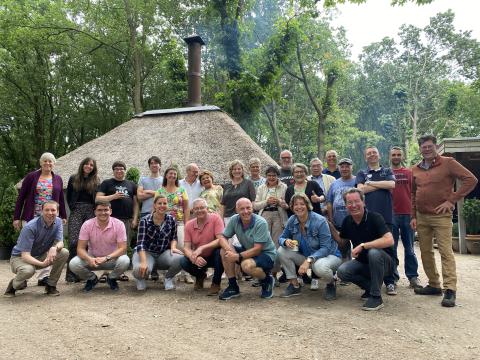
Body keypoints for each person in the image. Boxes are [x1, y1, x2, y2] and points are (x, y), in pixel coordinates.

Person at [411, 135, 477, 307]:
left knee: (445, 252)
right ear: (420, 149)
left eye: (429, 146)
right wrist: (413, 216)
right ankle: (433, 284)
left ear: (436, 146)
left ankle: (450, 290)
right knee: (425, 252)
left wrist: (452, 200)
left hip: (441, 216)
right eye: (423, 147)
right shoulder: (415, 169)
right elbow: (412, 193)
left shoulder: (448, 163)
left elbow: (471, 179)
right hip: (422, 216)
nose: (426, 149)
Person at [332, 188, 395, 311]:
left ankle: (376, 297)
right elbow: (342, 242)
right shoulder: (347, 221)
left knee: (374, 252)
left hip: (385, 264)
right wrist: (329, 225)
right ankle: (371, 287)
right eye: (349, 203)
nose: (353, 205)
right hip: (363, 262)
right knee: (342, 271)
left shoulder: (375, 217)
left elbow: (389, 240)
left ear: (363, 202)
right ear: (345, 205)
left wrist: (363, 245)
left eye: (356, 201)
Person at [13, 152, 67, 285]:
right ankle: (24, 276)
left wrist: (63, 215)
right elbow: (21, 197)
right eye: (45, 161)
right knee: (29, 246)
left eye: (50, 161)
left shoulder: (58, 179)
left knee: (49, 245)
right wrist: (16, 217)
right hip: (32, 214)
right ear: (41, 163)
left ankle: (43, 277)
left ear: (54, 164)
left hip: (51, 215)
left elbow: (60, 199)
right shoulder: (31, 177)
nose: (48, 163)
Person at [278, 194, 341, 300]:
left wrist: (308, 260)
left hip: (329, 256)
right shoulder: (292, 220)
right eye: (295, 204)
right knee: (281, 251)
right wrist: (285, 241)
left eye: (302, 204)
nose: (299, 207)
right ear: (292, 207)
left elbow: (325, 248)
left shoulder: (320, 220)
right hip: (308, 256)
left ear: (307, 205)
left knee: (319, 267)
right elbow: (281, 238)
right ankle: (294, 285)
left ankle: (331, 283)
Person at [5, 201, 69, 297]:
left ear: (58, 212)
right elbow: (25, 255)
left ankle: (51, 285)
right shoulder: (30, 227)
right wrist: (42, 264)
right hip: (20, 258)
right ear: (42, 211)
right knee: (28, 270)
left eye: (53, 210)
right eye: (47, 210)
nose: (50, 213)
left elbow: (60, 242)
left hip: (40, 255)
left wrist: (54, 248)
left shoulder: (58, 222)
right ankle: (13, 286)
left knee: (64, 252)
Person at [356, 146, 397, 295]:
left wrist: (370, 183)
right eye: (369, 153)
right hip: (368, 219)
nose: (372, 155)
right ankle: (373, 282)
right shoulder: (362, 173)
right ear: (365, 157)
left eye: (374, 152)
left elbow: (392, 185)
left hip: (386, 217)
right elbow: (360, 190)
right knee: (370, 250)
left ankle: (390, 282)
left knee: (389, 249)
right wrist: (381, 185)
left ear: (379, 155)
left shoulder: (387, 171)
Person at [218, 198, 277, 300]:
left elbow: (257, 249)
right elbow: (222, 237)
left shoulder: (261, 222)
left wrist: (236, 256)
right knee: (224, 251)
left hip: (266, 254)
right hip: (248, 251)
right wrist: (229, 250)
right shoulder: (234, 219)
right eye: (242, 209)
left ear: (252, 208)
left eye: (248, 208)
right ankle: (233, 287)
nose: (246, 211)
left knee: (246, 266)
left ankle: (267, 279)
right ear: (237, 210)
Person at [69, 201, 130, 292]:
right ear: (95, 212)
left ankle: (111, 278)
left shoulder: (119, 224)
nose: (103, 212)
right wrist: (89, 259)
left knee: (125, 260)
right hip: (93, 259)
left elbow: (123, 248)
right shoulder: (87, 224)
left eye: (106, 210)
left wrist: (106, 258)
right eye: (100, 210)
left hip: (112, 258)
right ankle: (92, 279)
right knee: (73, 264)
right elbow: (80, 249)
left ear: (111, 211)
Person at [96, 161, 139, 282]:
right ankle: (105, 272)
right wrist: (113, 197)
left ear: (125, 171)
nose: (119, 171)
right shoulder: (107, 183)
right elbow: (98, 198)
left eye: (121, 169)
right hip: (109, 220)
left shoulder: (131, 184)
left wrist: (135, 218)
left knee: (123, 246)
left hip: (126, 220)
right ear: (113, 171)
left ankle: (120, 272)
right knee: (108, 245)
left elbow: (136, 203)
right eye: (117, 169)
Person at [132, 195, 183, 291]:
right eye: (159, 203)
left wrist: (173, 247)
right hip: (146, 253)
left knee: (181, 258)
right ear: (154, 205)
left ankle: (168, 278)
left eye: (165, 203)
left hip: (162, 254)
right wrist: (143, 262)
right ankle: (140, 279)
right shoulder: (145, 220)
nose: (162, 206)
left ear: (167, 205)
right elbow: (141, 243)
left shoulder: (171, 219)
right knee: (139, 269)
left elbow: (173, 237)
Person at [389, 147, 420, 288]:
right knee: (392, 248)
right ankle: (393, 277)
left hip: (408, 214)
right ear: (390, 157)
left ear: (402, 156)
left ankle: (413, 277)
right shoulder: (386, 173)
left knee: (410, 248)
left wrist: (415, 214)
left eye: (398, 155)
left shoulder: (409, 173)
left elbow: (415, 193)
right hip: (391, 215)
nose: (396, 157)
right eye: (393, 155)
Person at [65, 157, 99, 283]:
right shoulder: (73, 178)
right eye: (86, 164)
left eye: (91, 165)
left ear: (93, 168)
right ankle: (70, 274)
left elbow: (96, 198)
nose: (88, 166)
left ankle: (81, 273)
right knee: (74, 242)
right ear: (82, 164)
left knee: (86, 243)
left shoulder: (96, 180)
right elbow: (68, 196)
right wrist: (73, 208)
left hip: (90, 210)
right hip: (77, 210)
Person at [180, 198, 224, 296]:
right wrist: (193, 257)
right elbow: (186, 247)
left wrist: (202, 248)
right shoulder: (189, 225)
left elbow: (220, 239)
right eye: (196, 209)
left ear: (207, 208)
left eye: (202, 208)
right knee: (183, 261)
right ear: (193, 211)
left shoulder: (216, 218)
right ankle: (200, 276)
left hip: (213, 254)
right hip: (199, 256)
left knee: (220, 252)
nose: (199, 210)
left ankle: (216, 282)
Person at [156, 166, 192, 283]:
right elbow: (155, 207)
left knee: (182, 246)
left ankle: (186, 273)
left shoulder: (181, 190)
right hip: (163, 223)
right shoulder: (160, 191)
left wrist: (187, 223)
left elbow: (186, 208)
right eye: (170, 174)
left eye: (175, 174)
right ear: (166, 175)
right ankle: (165, 274)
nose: (172, 176)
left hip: (179, 222)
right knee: (164, 247)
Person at [253, 165, 288, 280]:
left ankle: (273, 274)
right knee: (263, 244)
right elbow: (255, 205)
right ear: (266, 176)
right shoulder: (261, 188)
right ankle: (262, 273)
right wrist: (266, 202)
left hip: (279, 215)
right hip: (265, 215)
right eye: (269, 175)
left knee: (276, 245)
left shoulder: (284, 186)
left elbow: (288, 205)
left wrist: (280, 202)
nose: (271, 177)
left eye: (274, 175)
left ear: (278, 176)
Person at [221, 160, 256, 225]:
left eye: (239, 169)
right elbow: (223, 204)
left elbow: (253, 201)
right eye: (234, 169)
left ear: (242, 170)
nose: (237, 171)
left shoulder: (248, 183)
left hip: (243, 217)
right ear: (231, 171)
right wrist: (221, 218)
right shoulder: (226, 185)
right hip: (228, 218)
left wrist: (249, 216)